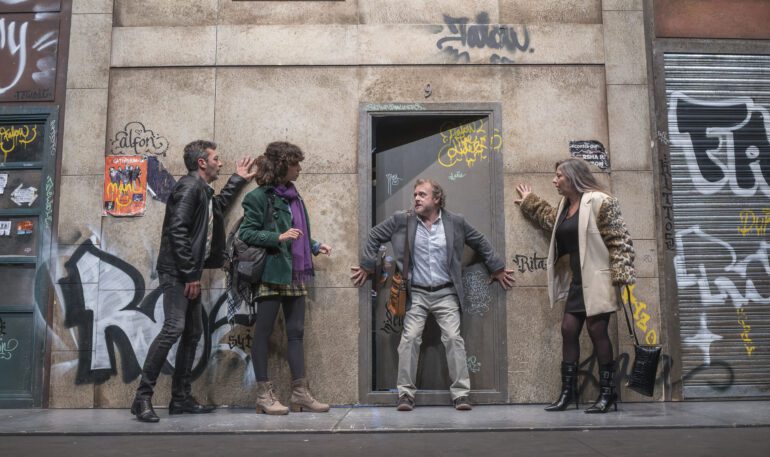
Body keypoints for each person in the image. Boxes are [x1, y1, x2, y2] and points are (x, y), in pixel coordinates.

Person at [351, 179, 514, 411]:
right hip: (416, 294)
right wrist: (367, 265)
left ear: (436, 199)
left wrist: (496, 267)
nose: (416, 198)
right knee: (409, 340)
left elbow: (480, 241)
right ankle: (405, 395)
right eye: (415, 195)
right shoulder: (402, 220)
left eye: (422, 194)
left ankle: (461, 395)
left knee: (453, 339)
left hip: (446, 293)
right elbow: (374, 235)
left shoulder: (455, 222)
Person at [131, 140, 256, 423]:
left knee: (192, 333)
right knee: (174, 328)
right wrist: (190, 275)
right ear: (202, 162)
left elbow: (216, 209)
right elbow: (177, 231)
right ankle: (142, 398)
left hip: (188, 272)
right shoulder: (189, 188)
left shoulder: (201, 190)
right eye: (216, 158)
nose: (220, 163)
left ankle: (180, 398)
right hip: (178, 272)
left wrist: (237, 179)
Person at [515, 158, 635, 414]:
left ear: (573, 177)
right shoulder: (565, 206)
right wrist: (529, 201)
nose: (554, 180)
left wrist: (621, 274)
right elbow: (550, 220)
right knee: (568, 329)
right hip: (578, 281)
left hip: (599, 279)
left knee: (596, 330)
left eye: (559, 176)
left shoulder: (600, 201)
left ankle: (607, 393)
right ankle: (568, 393)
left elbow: (620, 239)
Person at [239, 141, 332, 415]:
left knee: (296, 333)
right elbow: (247, 233)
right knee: (263, 333)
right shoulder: (258, 197)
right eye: (295, 164)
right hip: (271, 272)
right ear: (282, 166)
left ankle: (300, 393)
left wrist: (314, 245)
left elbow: (297, 232)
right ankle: (263, 396)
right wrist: (277, 237)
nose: (299, 168)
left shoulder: (294, 195)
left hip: (294, 271)